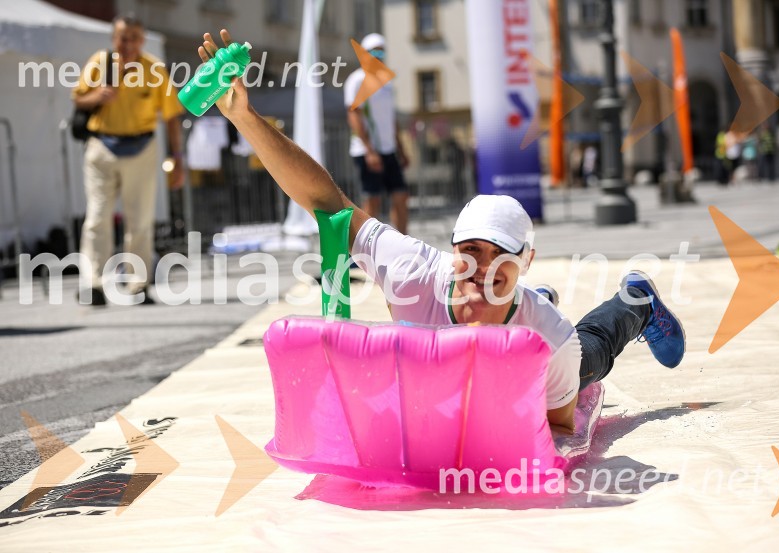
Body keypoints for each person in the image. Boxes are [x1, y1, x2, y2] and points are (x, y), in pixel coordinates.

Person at [197, 30, 685, 436]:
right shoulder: (412, 272)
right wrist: (245, 117)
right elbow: (328, 204)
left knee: (590, 353)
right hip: (480, 341)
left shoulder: (550, 339)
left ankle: (635, 302)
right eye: (470, 251)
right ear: (452, 251)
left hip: (532, 372)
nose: (480, 268)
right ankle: (525, 295)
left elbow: (559, 435)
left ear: (527, 260)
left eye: (501, 258)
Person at [73, 14, 185, 306]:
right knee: (98, 217)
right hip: (102, 147)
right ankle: (94, 283)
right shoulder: (100, 62)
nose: (128, 43)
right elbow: (78, 99)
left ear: (142, 40)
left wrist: (177, 158)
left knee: (140, 219)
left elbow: (171, 117)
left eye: (134, 37)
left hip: (142, 146)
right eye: (123, 37)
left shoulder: (155, 69)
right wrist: (98, 96)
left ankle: (137, 284)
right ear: (114, 38)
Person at [343, 33, 410, 234]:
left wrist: (401, 148)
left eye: (381, 51)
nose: (378, 55)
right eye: (373, 51)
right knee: (372, 199)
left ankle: (403, 243)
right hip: (366, 150)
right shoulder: (356, 80)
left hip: (388, 149)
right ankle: (369, 250)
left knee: (401, 195)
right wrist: (370, 150)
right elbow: (353, 115)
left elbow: (391, 119)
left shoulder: (386, 82)